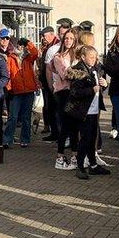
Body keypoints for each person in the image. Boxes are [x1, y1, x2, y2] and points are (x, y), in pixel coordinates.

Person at [65, 46, 109, 179]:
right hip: (83, 111)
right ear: (83, 57)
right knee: (85, 139)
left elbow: (98, 86)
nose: (94, 60)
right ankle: (80, 166)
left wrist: (104, 84)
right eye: (91, 57)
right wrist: (92, 90)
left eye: (95, 57)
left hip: (93, 109)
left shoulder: (94, 68)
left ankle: (93, 165)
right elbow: (74, 92)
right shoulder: (78, 70)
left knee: (91, 138)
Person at [3, 34, 41, 148]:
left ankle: (25, 139)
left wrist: (28, 43)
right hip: (16, 91)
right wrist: (9, 88)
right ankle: (7, 139)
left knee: (26, 117)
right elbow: (7, 75)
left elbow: (35, 53)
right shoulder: (10, 58)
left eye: (21, 45)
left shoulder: (28, 57)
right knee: (13, 117)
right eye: (18, 45)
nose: (20, 47)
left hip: (29, 90)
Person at [51, 29, 80, 170]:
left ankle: (75, 155)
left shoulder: (77, 55)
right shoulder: (58, 57)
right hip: (63, 93)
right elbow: (65, 75)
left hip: (75, 93)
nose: (68, 41)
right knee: (65, 126)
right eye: (66, 38)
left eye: (71, 38)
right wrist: (80, 74)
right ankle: (60, 156)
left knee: (74, 125)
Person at [40, 19, 68, 141]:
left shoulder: (74, 49)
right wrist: (50, 86)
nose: (64, 37)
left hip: (68, 86)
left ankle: (64, 135)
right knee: (53, 109)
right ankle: (56, 133)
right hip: (54, 85)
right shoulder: (53, 49)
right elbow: (47, 70)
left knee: (64, 112)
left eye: (66, 34)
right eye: (61, 34)